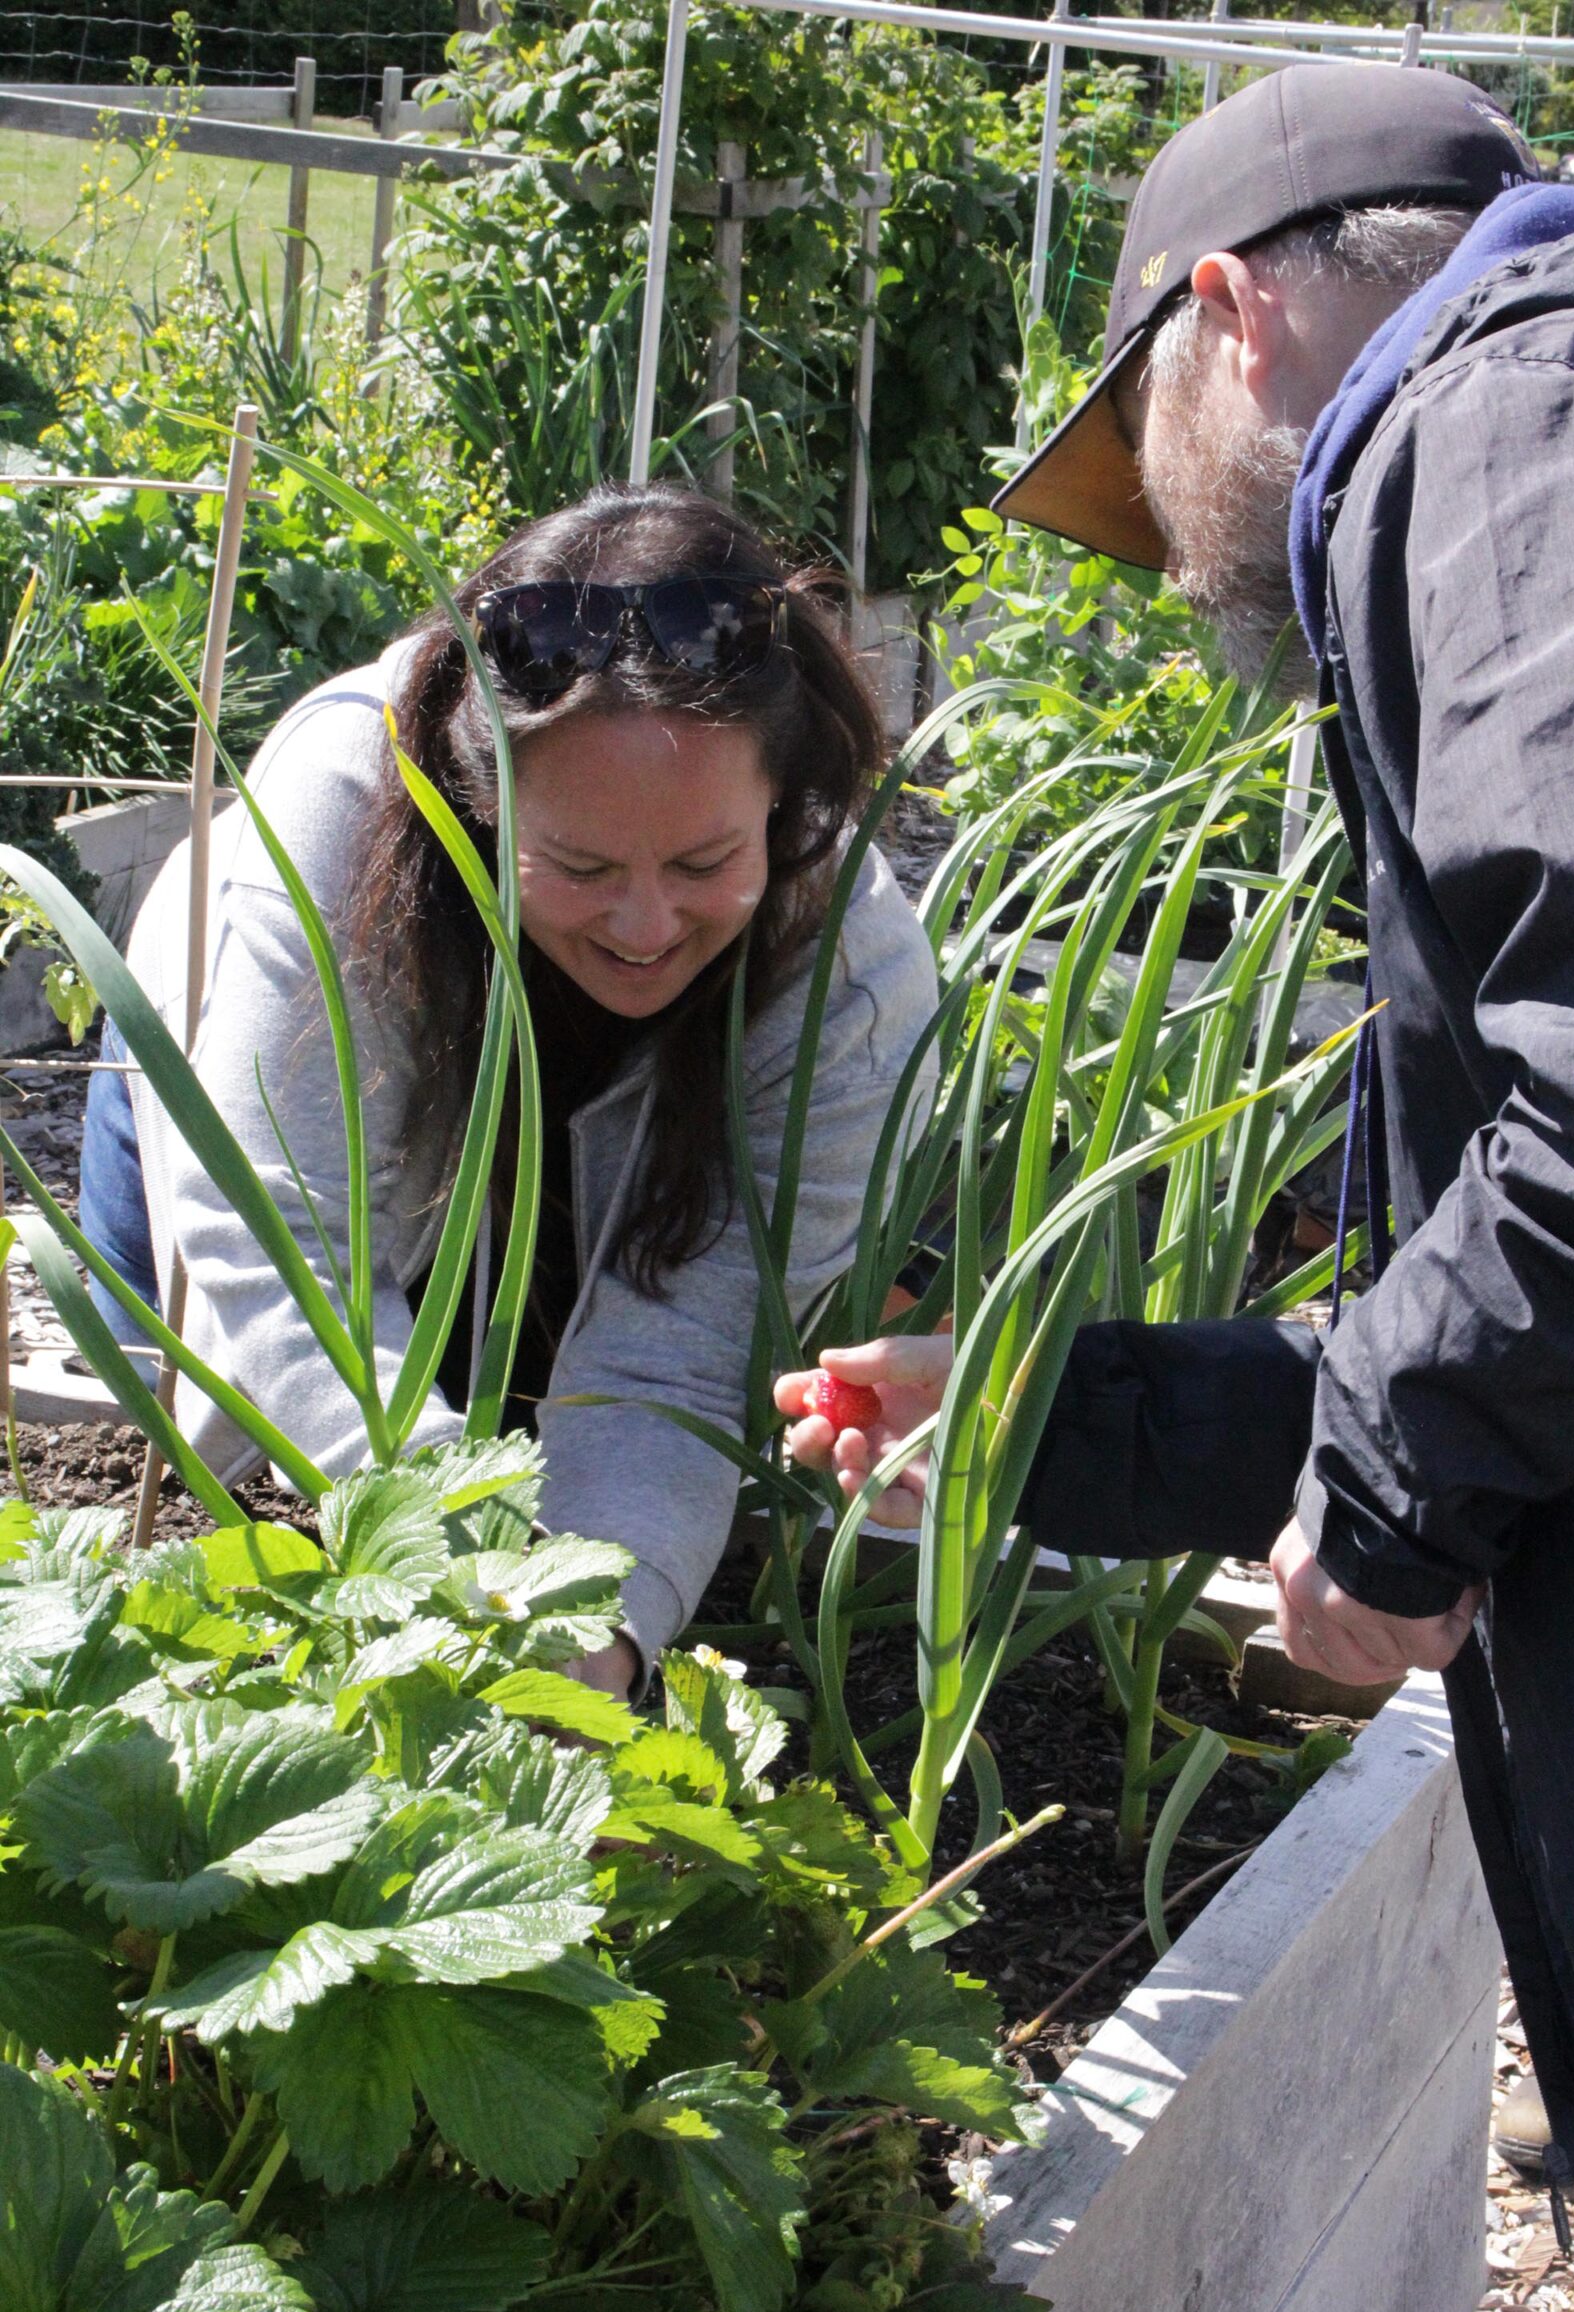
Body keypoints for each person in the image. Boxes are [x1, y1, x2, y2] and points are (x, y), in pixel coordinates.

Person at [778, 64, 1574, 2195]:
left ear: (1229, 314)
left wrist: (1399, 1500)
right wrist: (1038, 1421)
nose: (1169, 561)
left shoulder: (1499, 432)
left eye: (1146, 462)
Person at [81, 483, 937, 1698]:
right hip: (250, 1128)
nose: (645, 925)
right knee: (177, 1421)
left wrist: (598, 1635)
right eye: (577, 865)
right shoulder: (340, 811)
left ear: (784, 807)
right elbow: (277, 1250)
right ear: (481, 806)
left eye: (704, 861)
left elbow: (685, 1356)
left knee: (558, 1446)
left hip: (592, 1183)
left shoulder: (848, 962)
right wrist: (478, 1562)